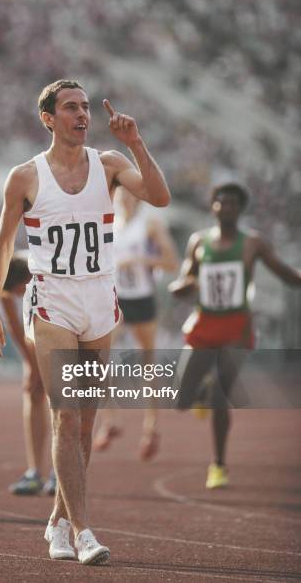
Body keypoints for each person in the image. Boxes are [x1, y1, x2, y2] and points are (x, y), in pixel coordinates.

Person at [0, 79, 170, 565]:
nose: (81, 114)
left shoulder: (109, 165)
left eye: (85, 107)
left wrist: (136, 143)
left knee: (85, 422)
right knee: (66, 413)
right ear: (48, 118)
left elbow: (159, 196)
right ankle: (85, 530)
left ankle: (59, 521)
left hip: (100, 299)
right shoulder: (25, 177)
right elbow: (3, 246)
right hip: (54, 301)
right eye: (70, 107)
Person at [168, 181, 301, 489]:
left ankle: (218, 466)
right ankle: (198, 392)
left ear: (240, 209)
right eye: (221, 202)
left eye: (232, 203)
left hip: (236, 328)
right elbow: (184, 281)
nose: (226, 207)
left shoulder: (254, 243)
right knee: (180, 399)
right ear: (213, 206)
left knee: (220, 395)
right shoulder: (199, 242)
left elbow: (285, 274)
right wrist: (182, 288)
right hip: (203, 325)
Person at [94, 187, 179, 459]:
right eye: (120, 196)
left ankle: (150, 427)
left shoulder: (150, 224)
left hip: (142, 299)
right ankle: (111, 420)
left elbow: (171, 262)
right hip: (117, 300)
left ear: (138, 198)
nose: (124, 200)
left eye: (129, 195)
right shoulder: (110, 223)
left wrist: (140, 260)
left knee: (147, 362)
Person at [0, 251, 56, 496]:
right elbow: (14, 325)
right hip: (33, 331)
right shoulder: (4, 279)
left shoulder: (46, 275)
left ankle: (58, 472)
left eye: (19, 292)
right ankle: (34, 472)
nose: (17, 297)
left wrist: (43, 368)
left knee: (59, 396)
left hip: (57, 325)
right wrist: (32, 366)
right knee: (32, 392)